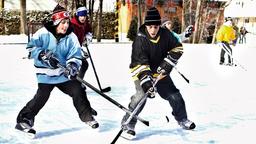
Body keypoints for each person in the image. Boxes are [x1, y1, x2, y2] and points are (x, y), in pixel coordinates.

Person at [15, 4, 99, 136]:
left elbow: (76, 54)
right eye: (62, 23)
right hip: (46, 74)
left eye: (67, 22)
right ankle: (24, 119)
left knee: (78, 90)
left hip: (62, 73)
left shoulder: (71, 37)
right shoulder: (43, 33)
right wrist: (42, 55)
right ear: (55, 22)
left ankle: (87, 116)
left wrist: (72, 66)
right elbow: (30, 49)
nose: (66, 26)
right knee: (42, 96)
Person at [121, 7, 196, 139]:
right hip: (140, 71)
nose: (153, 30)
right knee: (140, 97)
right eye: (150, 27)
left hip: (160, 71)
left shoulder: (165, 34)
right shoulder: (140, 39)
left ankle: (182, 119)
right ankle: (128, 123)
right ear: (146, 25)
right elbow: (139, 62)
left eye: (156, 27)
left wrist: (165, 67)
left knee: (174, 95)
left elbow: (177, 48)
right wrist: (147, 83)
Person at [70, 5, 92, 79]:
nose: (83, 18)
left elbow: (88, 31)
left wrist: (87, 38)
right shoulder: (72, 25)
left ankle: (78, 82)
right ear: (77, 15)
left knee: (84, 64)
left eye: (84, 16)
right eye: (81, 16)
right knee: (77, 65)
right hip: (70, 50)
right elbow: (70, 41)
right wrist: (80, 51)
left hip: (78, 48)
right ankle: (74, 84)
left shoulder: (85, 24)